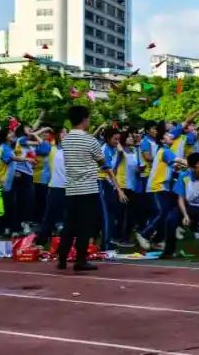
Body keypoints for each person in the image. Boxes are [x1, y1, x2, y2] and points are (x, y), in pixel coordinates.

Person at [56, 105, 126, 272]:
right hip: (88, 187)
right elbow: (103, 162)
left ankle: (62, 258)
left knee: (69, 224)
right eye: (88, 118)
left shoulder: (66, 140)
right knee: (84, 226)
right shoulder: (90, 140)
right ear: (84, 119)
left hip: (72, 187)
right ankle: (80, 260)